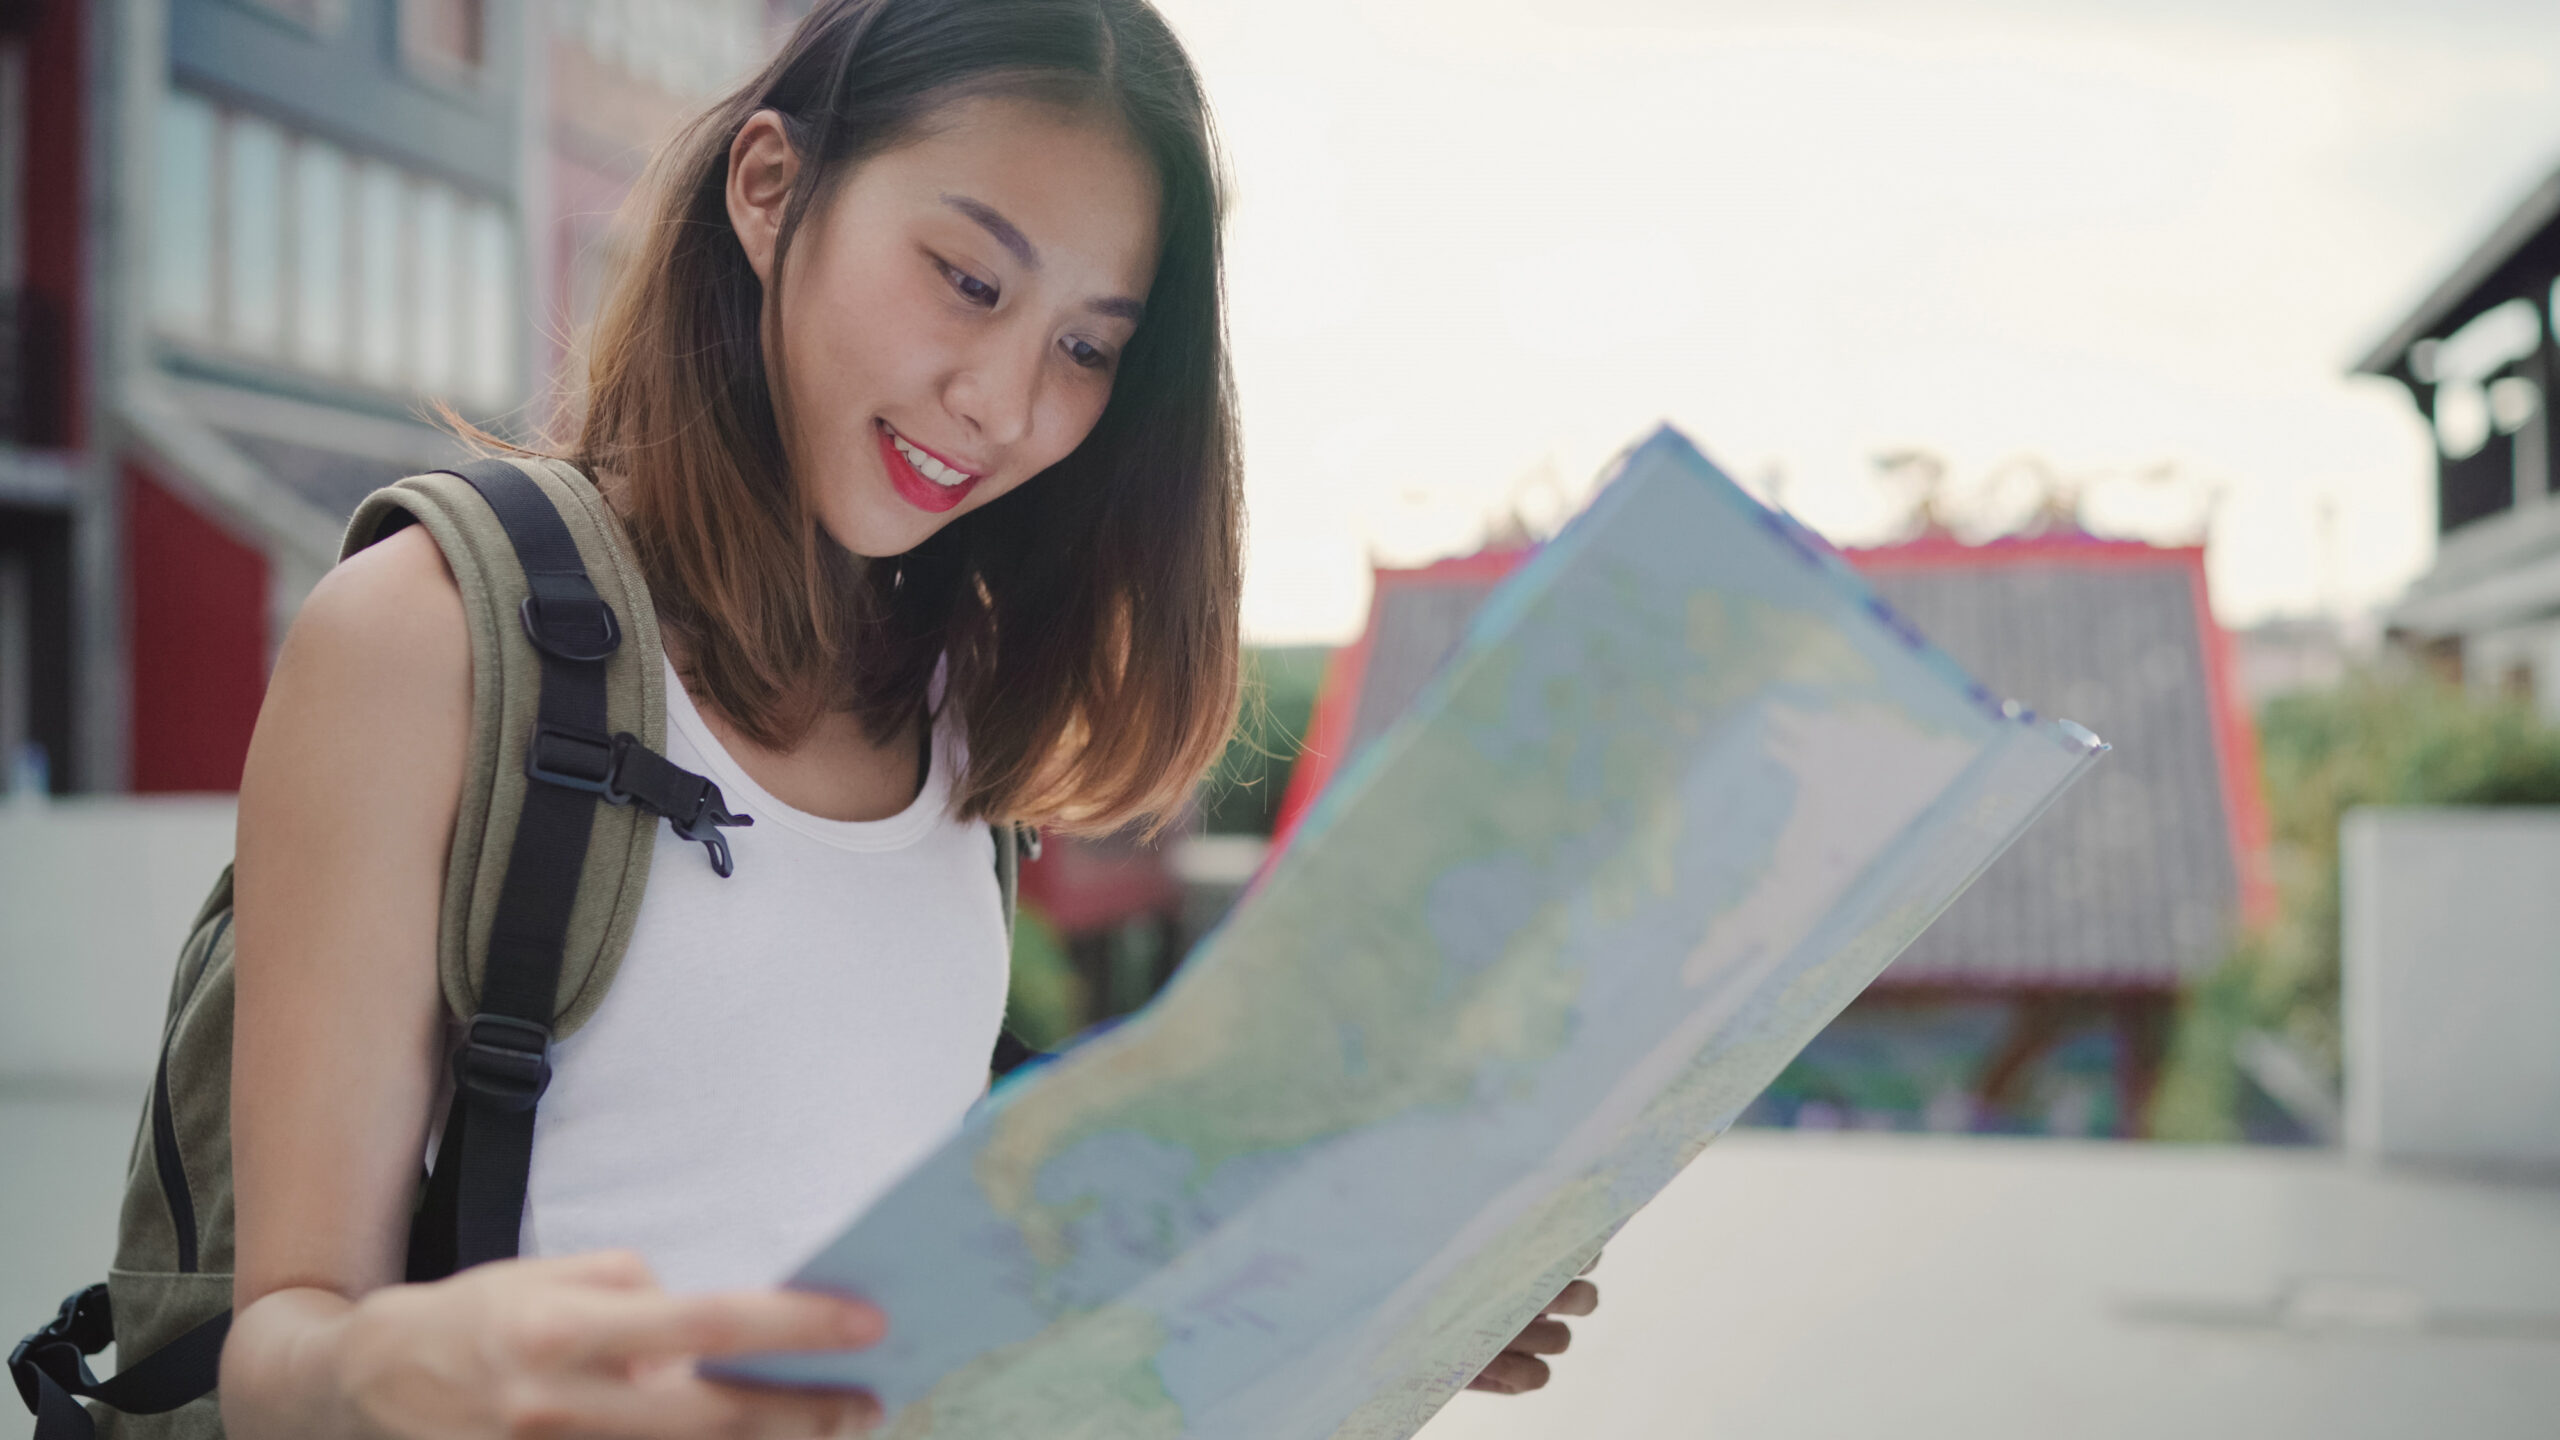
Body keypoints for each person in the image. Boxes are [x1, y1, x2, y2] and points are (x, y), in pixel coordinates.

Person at [218, 1, 1595, 1435]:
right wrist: (401, 1367)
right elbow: (276, 1354)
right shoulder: (422, 633)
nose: (1000, 401)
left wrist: (1355, 1295)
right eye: (968, 280)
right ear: (768, 190)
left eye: (1087, 349)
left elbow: (909, 1283)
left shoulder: (961, 695)